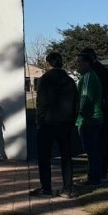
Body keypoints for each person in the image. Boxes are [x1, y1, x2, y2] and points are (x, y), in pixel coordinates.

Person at [32, 52, 78, 197]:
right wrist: (72, 120)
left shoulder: (45, 79)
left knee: (44, 156)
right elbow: (76, 103)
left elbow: (41, 103)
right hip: (66, 123)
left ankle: (46, 188)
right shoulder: (69, 81)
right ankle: (67, 188)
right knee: (66, 157)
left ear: (48, 63)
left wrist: (39, 120)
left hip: (48, 122)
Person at [82, 48, 108, 181]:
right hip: (103, 109)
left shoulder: (92, 73)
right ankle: (102, 172)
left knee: (94, 144)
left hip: (95, 112)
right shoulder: (103, 70)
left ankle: (95, 174)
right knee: (103, 142)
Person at [75, 51, 105, 187]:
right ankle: (94, 176)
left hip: (89, 119)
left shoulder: (88, 77)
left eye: (79, 62)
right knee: (92, 150)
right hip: (91, 119)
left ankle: (94, 178)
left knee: (92, 150)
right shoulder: (87, 76)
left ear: (87, 63)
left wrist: (78, 112)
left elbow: (85, 98)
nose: (77, 65)